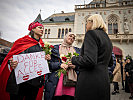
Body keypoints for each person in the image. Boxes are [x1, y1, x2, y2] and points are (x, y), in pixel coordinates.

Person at [0, 21, 51, 100]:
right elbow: (10, 57)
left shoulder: (42, 46)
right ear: (33, 29)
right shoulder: (21, 41)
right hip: (19, 82)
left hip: (34, 83)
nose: (42, 30)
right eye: (40, 28)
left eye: (43, 28)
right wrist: (11, 62)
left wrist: (46, 58)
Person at [71, 14, 112, 100]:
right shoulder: (106, 37)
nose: (86, 25)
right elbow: (110, 62)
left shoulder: (91, 34)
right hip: (103, 81)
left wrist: (74, 59)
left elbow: (89, 60)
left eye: (87, 22)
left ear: (92, 22)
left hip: (90, 81)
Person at [44, 32, 80, 100]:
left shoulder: (77, 51)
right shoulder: (55, 48)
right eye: (70, 36)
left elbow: (81, 66)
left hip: (72, 81)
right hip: (57, 80)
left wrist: (75, 66)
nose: (72, 38)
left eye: (73, 38)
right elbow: (49, 65)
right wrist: (60, 65)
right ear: (65, 36)